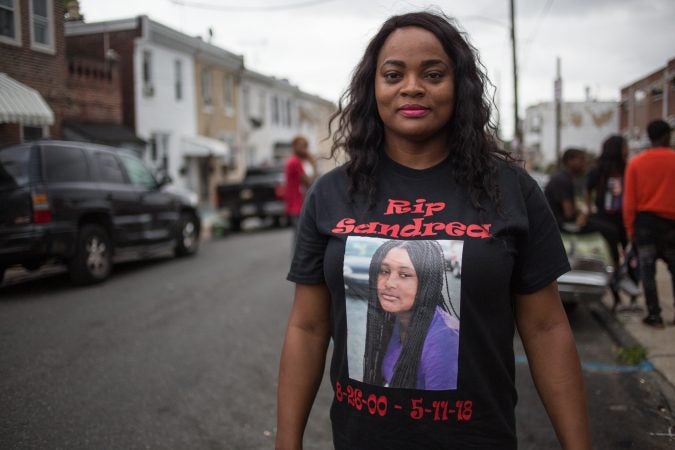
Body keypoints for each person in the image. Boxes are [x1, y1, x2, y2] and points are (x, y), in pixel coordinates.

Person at [277, 11, 591, 450]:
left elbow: (546, 330)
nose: (412, 86)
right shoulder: (332, 192)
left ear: (458, 87)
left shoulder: (511, 190)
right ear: (374, 88)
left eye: (433, 73)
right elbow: (308, 329)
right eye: (393, 74)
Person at [363, 239, 459, 390]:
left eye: (404, 275)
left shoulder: (445, 339)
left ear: (427, 282)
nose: (389, 283)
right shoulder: (397, 320)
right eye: (384, 271)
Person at [545, 147, 623, 303]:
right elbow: (568, 213)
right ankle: (615, 272)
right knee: (611, 231)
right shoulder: (563, 180)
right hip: (563, 225)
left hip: (562, 222)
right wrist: (583, 214)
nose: (584, 163)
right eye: (581, 159)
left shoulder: (563, 178)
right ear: (570, 161)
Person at [623, 119, 675, 328]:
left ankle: (654, 315)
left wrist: (630, 228)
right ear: (666, 136)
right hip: (672, 223)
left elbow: (629, 201)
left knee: (647, 270)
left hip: (645, 223)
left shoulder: (636, 163)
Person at [584, 135, 639, 309]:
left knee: (631, 259)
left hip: (625, 220)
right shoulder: (599, 169)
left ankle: (632, 293)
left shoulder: (628, 168)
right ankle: (617, 297)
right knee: (612, 260)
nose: (627, 148)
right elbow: (587, 189)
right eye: (624, 145)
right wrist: (590, 208)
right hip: (605, 221)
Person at [284, 135, 317, 232]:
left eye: (305, 146)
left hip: (300, 202)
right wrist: (313, 165)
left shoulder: (299, 161)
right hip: (297, 202)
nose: (304, 149)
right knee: (301, 232)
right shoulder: (295, 162)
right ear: (294, 146)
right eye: (302, 146)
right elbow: (308, 181)